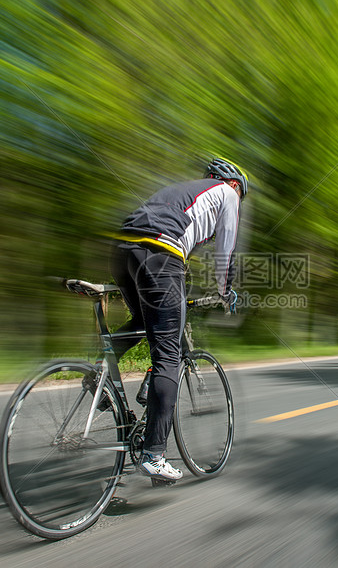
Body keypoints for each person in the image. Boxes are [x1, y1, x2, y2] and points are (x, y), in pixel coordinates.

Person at [109, 157, 248, 482]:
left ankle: (98, 371)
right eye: (240, 193)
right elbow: (224, 255)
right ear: (233, 184)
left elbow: (182, 248)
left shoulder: (183, 194)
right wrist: (226, 292)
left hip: (121, 249)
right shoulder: (227, 195)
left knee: (144, 322)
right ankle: (154, 454)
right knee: (168, 355)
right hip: (159, 254)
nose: (238, 200)